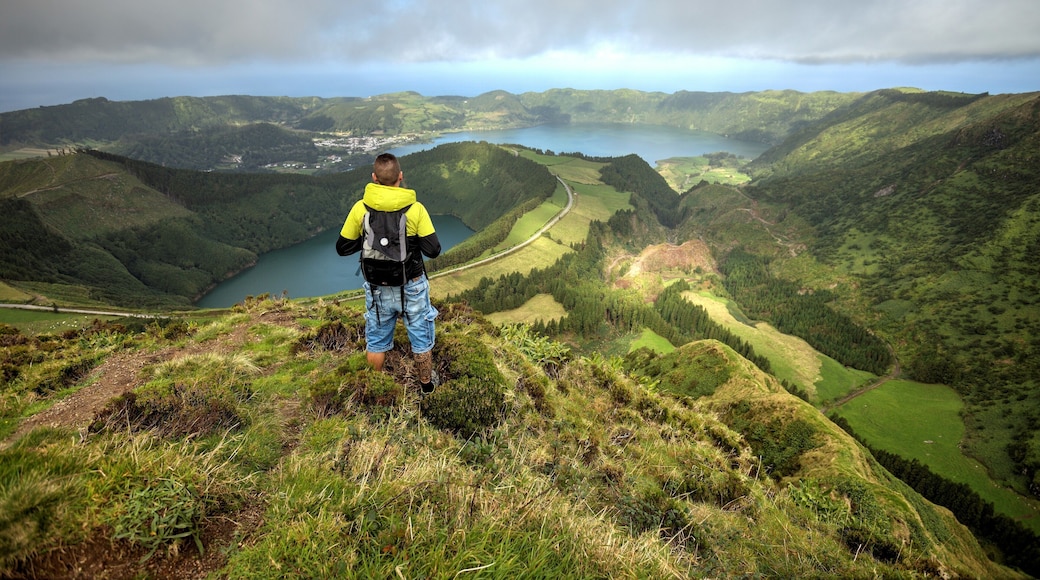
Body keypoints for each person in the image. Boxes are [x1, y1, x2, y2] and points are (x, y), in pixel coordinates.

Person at [336, 153, 441, 393]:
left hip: (376, 286)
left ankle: (377, 386)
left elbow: (342, 247)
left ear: (374, 178)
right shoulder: (415, 209)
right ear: (400, 177)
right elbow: (433, 250)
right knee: (420, 337)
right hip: (411, 283)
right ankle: (426, 386)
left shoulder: (360, 208)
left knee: (377, 339)